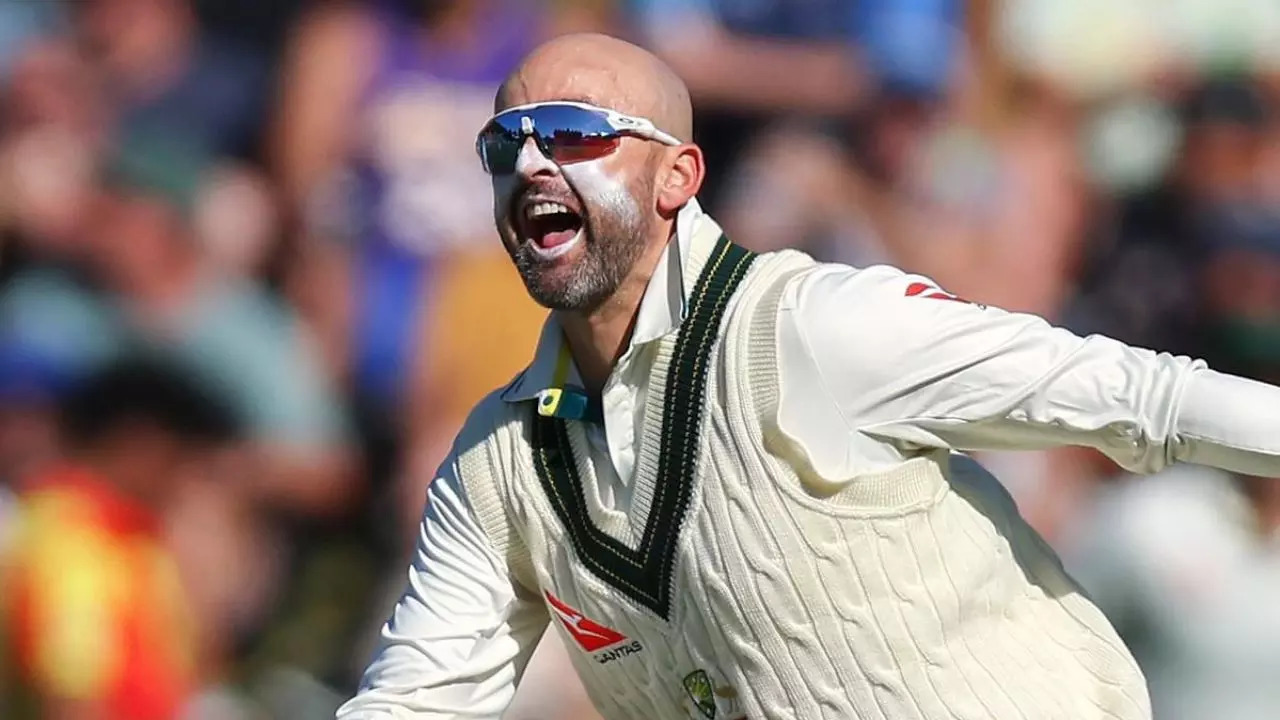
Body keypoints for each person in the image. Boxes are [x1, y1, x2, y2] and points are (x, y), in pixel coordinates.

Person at [337, 33, 1280, 720]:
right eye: (506, 142)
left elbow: (1144, 398)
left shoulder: (818, 328)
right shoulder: (498, 463)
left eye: (576, 133)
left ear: (679, 177)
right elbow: (410, 705)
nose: (533, 160)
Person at [0, 353, 241, 719]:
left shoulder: (138, 539)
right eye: (187, 458)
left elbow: (194, 676)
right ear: (141, 442)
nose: (190, 479)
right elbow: (72, 698)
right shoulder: (68, 536)